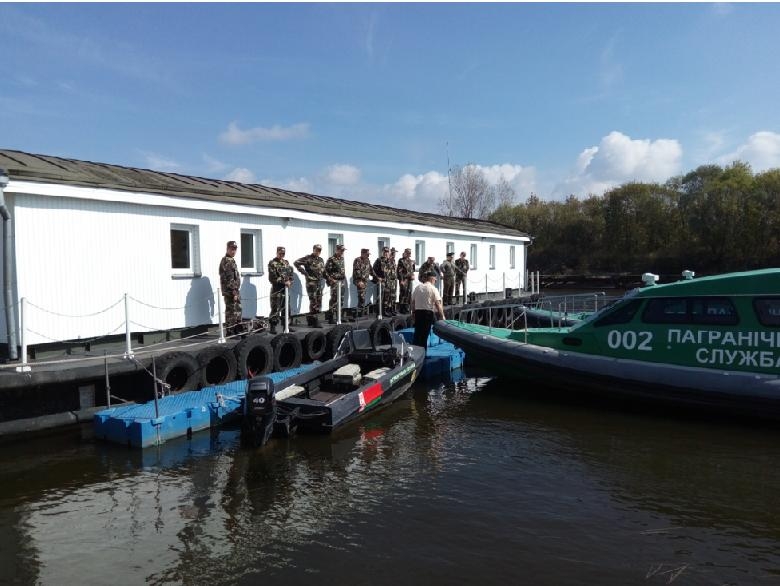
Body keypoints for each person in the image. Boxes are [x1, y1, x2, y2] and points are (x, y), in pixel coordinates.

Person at [294, 244, 325, 328]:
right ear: (313, 249)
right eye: (317, 250)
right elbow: (296, 263)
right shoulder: (308, 258)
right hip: (311, 283)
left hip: (319, 283)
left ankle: (310, 319)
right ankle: (315, 320)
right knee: (313, 301)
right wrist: (304, 272)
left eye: (319, 250)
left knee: (319, 301)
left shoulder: (321, 260)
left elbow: (323, 271)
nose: (318, 252)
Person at [411, 270, 445, 347]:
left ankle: (416, 352)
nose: (435, 282)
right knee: (424, 335)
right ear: (432, 279)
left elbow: (412, 302)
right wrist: (442, 316)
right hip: (427, 313)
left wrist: (413, 314)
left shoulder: (418, 288)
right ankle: (423, 353)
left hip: (418, 313)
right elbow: (438, 304)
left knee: (417, 334)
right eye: (435, 280)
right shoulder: (433, 289)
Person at [268, 246, 294, 334]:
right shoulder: (272, 263)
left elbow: (291, 274)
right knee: (275, 308)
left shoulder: (286, 263)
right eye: (280, 253)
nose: (282, 255)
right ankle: (273, 326)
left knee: (287, 308)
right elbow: (272, 278)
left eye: (283, 253)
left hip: (285, 290)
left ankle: (286, 326)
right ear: (277, 252)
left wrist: (290, 281)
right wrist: (284, 282)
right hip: (277, 290)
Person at [219, 240, 242, 335]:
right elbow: (229, 278)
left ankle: (236, 329)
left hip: (234, 290)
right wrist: (234, 291)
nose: (233, 251)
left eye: (235, 249)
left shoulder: (231, 260)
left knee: (237, 309)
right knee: (231, 311)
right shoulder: (226, 261)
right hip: (230, 291)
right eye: (232, 249)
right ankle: (230, 331)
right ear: (227, 249)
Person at [324, 244, 347, 324]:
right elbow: (325, 271)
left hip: (342, 282)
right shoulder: (331, 259)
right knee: (334, 300)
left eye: (343, 251)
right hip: (335, 282)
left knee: (341, 299)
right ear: (337, 250)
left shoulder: (342, 259)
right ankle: (331, 318)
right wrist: (331, 279)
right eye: (341, 250)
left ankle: (339, 316)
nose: (342, 252)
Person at [352, 248, 375, 317]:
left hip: (365, 281)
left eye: (368, 255)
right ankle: (359, 313)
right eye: (367, 254)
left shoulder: (367, 261)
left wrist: (377, 277)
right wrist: (359, 281)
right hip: (359, 281)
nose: (368, 256)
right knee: (361, 297)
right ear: (363, 253)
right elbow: (357, 271)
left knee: (363, 296)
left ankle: (361, 312)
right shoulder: (357, 260)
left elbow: (371, 270)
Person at [397, 248, 416, 314]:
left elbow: (412, 270)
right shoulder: (401, 260)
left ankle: (406, 307)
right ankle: (401, 308)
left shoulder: (411, 261)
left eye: (410, 253)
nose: (409, 254)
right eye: (408, 253)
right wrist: (401, 280)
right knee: (403, 293)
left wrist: (413, 275)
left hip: (409, 280)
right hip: (404, 279)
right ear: (405, 252)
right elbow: (399, 271)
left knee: (408, 293)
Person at [386, 248, 398, 316]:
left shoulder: (393, 260)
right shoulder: (388, 260)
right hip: (389, 280)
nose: (394, 254)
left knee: (393, 296)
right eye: (392, 253)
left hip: (394, 280)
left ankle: (392, 309)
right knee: (388, 296)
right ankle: (387, 310)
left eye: (394, 253)